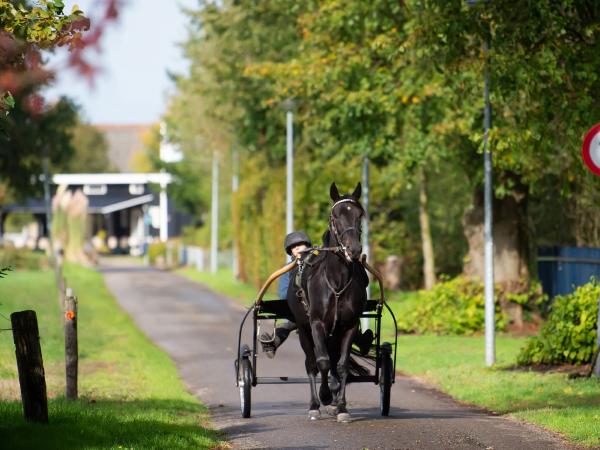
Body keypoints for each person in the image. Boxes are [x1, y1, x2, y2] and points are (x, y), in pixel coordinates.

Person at [260, 231, 373, 358]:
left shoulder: (317, 263)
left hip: (322, 309)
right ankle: (274, 342)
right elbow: (284, 294)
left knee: (344, 317)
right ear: (290, 251)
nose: (297, 247)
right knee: (293, 321)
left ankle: (361, 341)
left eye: (300, 244)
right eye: (293, 246)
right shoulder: (287, 269)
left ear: (308, 246)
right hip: (300, 309)